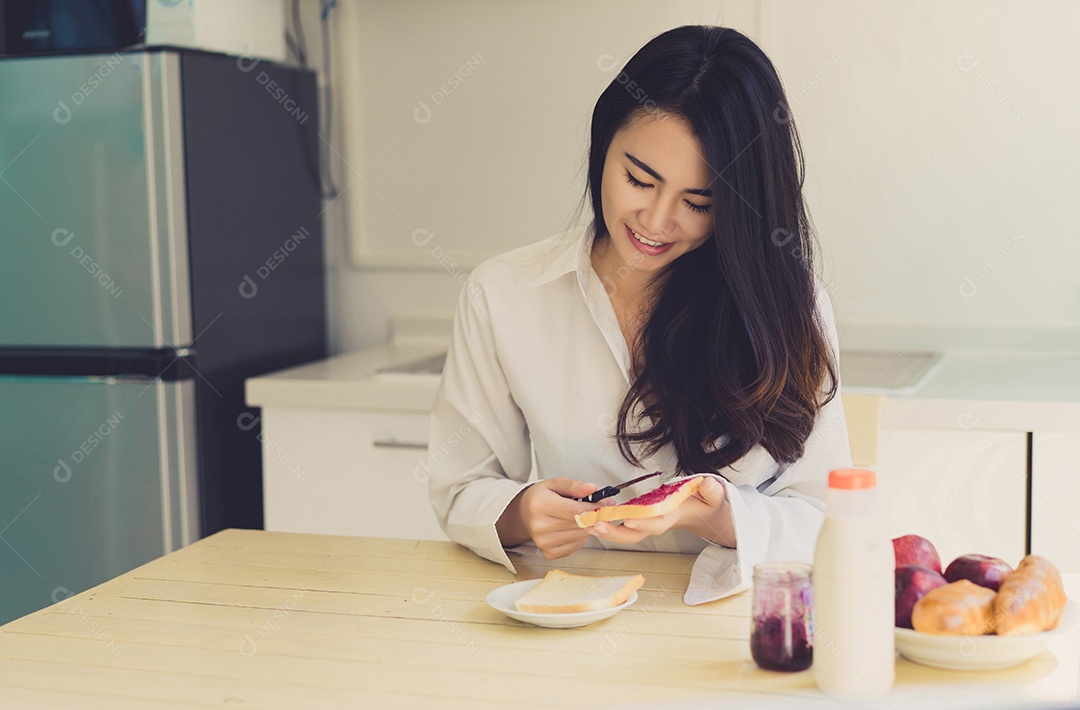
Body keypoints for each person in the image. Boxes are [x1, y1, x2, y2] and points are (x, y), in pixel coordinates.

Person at [427, 25, 851, 604]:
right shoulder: (503, 293)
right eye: (638, 180)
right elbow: (459, 489)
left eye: (698, 203)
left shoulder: (789, 306)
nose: (655, 221)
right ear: (603, 146)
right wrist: (521, 512)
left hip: (732, 631)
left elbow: (826, 520)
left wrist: (717, 518)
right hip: (572, 615)